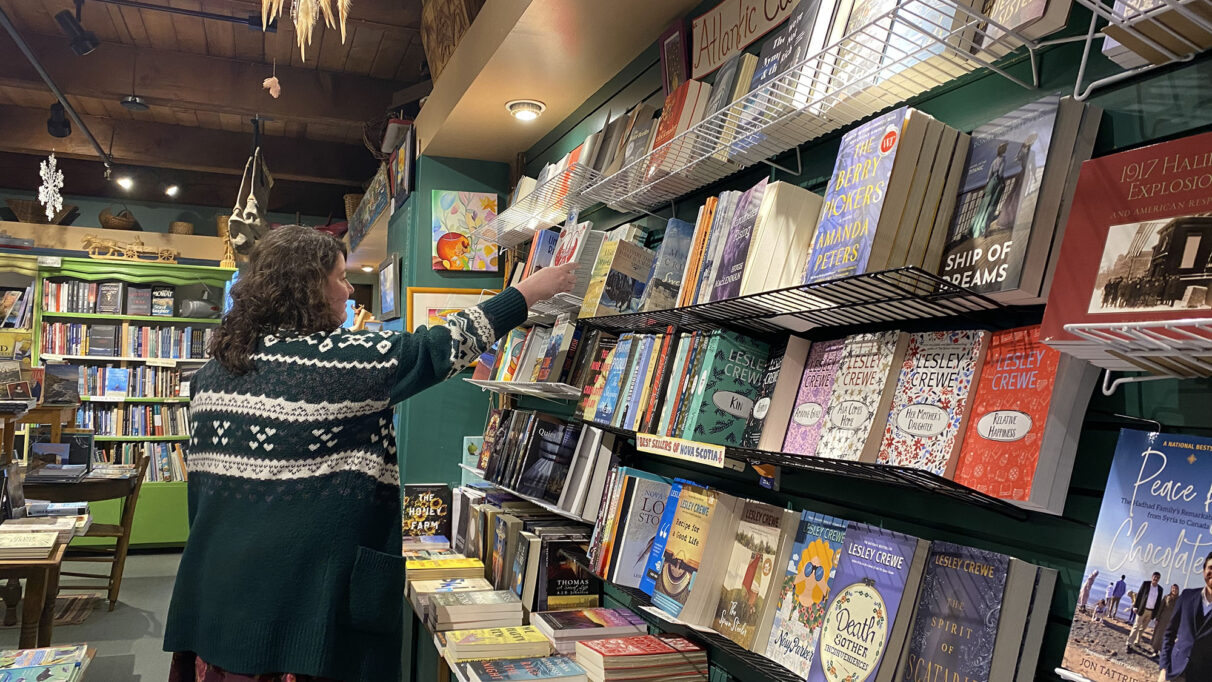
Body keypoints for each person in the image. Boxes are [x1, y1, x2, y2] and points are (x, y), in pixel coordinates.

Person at [163, 226, 577, 682]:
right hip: (302, 609)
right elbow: (441, 347)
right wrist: (528, 291)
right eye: (339, 278)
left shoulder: (214, 371)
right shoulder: (341, 363)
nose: (347, 290)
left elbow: (200, 497)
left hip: (215, 595)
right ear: (307, 287)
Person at [1159, 552, 1212, 681]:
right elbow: (1169, 634)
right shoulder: (1187, 596)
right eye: (1211, 568)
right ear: (1204, 570)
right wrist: (1164, 668)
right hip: (1174, 671)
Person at [1128, 572, 1164, 650]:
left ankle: (1137, 642)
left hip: (1151, 612)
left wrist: (1156, 615)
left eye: (1158, 577)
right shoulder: (1146, 584)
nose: (1156, 579)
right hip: (1142, 609)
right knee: (1136, 626)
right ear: (1152, 577)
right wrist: (1135, 606)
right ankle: (1129, 643)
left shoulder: (1160, 589)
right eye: (1155, 577)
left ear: (1159, 579)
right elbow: (1139, 595)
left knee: (1143, 628)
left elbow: (1158, 602)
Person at [1153, 585, 1181, 653]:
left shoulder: (1180, 599)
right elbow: (1160, 608)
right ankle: (1155, 651)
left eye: (1176, 589)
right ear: (1171, 589)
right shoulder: (1166, 597)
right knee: (1158, 635)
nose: (1174, 590)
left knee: (1167, 637)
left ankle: (1163, 652)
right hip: (1162, 620)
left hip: (1172, 622)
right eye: (1173, 589)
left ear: (1178, 590)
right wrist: (1157, 618)